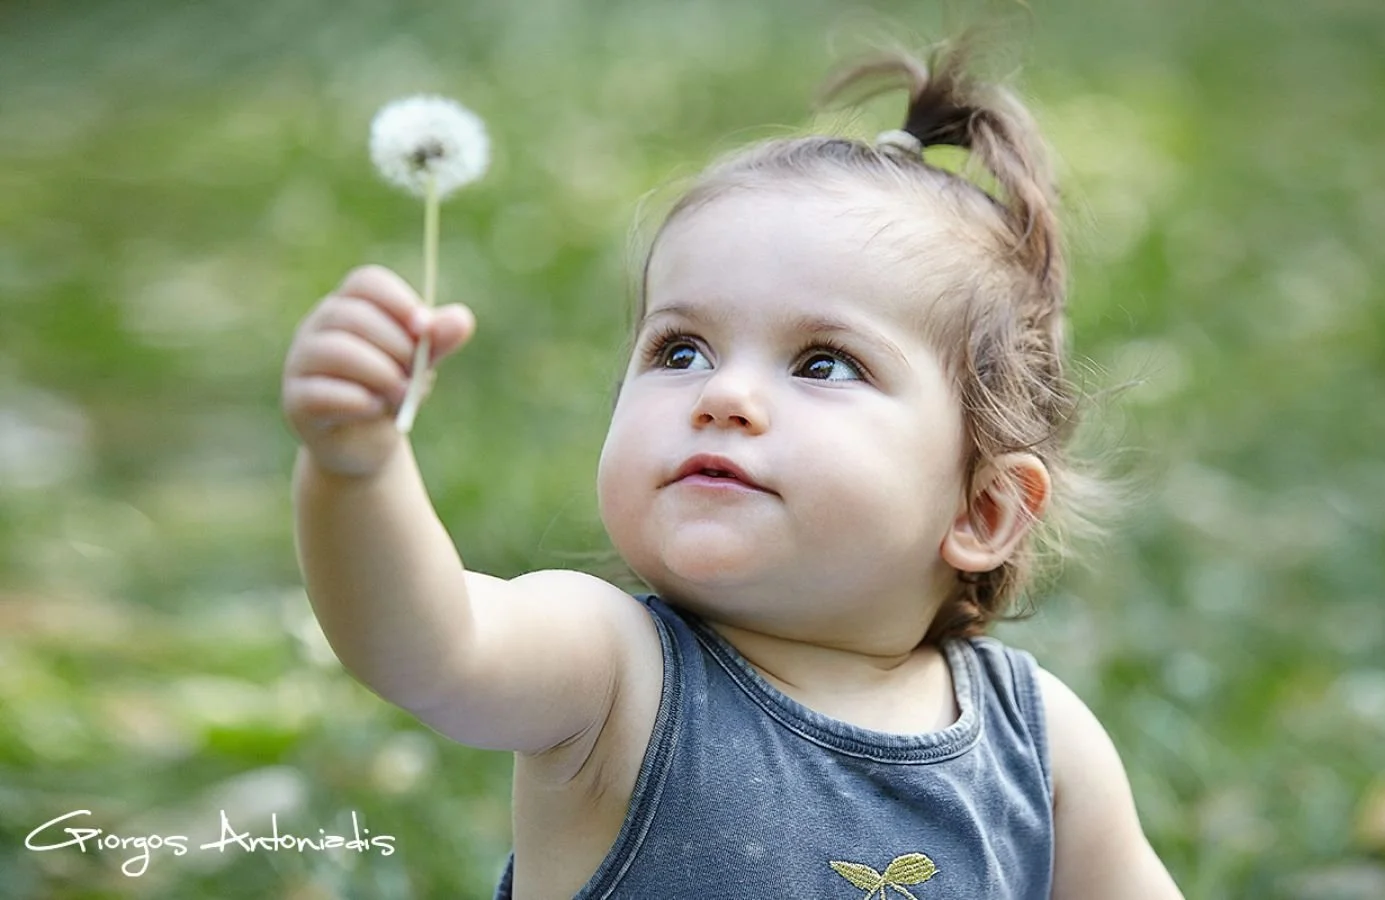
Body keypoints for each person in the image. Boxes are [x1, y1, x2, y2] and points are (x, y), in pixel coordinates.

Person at [282, 42, 1184, 899]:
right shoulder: (613, 675)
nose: (724, 395)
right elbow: (429, 646)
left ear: (984, 511)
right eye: (680, 350)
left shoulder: (1042, 744)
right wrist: (355, 473)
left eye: (823, 363)